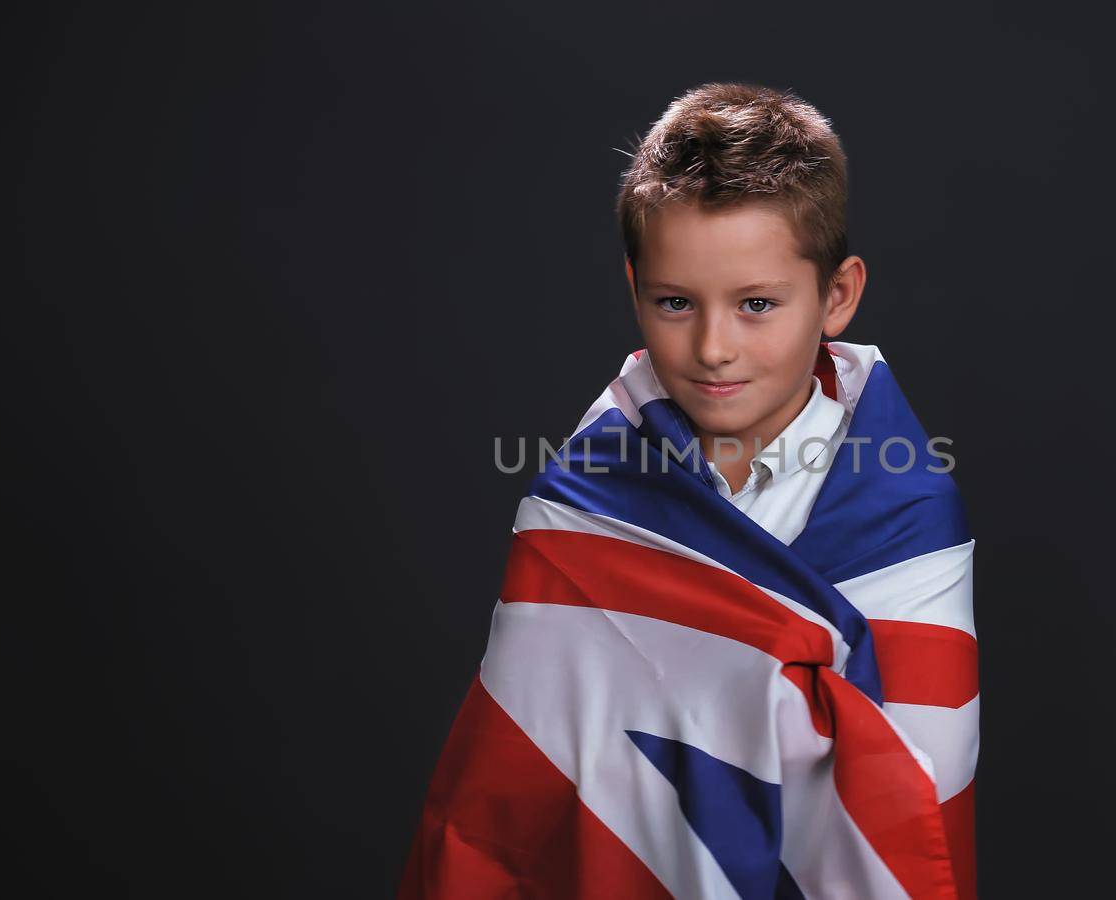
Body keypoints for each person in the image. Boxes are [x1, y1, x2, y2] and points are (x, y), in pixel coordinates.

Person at [398, 82, 978, 899]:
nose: (713, 347)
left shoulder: (907, 512)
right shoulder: (581, 506)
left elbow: (916, 790)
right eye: (676, 303)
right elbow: (515, 789)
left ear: (836, 295)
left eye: (755, 305)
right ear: (635, 287)